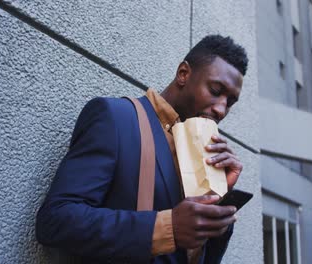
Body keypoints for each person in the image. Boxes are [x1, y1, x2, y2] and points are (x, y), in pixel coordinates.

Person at [35, 35, 248, 264]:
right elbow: (55, 220)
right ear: (183, 74)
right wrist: (166, 228)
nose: (221, 109)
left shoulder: (203, 153)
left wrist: (218, 202)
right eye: (216, 90)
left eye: (230, 102)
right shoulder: (115, 118)